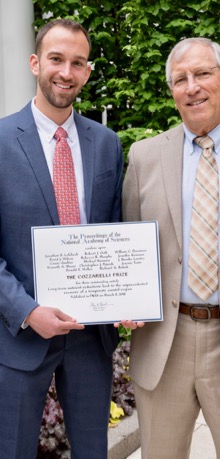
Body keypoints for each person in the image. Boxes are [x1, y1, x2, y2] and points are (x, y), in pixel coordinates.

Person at [122, 37, 220, 459]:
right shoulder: (144, 157)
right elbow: (131, 243)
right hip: (163, 342)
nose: (192, 87)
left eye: (203, 74)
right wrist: (125, 296)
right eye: (180, 79)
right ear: (172, 91)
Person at [0, 18, 124, 459]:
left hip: (91, 339)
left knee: (93, 451)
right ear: (36, 63)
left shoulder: (107, 144)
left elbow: (114, 231)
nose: (66, 72)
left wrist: (128, 299)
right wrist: (28, 311)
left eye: (77, 62)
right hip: (20, 337)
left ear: (87, 71)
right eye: (56, 59)